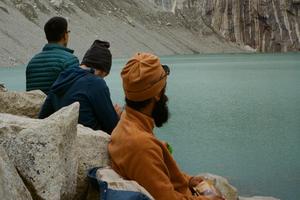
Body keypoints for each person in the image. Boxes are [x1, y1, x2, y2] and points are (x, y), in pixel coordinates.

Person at [108, 53, 224, 200]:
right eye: (164, 89)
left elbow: (155, 176)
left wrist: (187, 180)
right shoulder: (141, 145)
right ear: (156, 94)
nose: (166, 97)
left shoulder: (127, 122)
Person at [38, 40, 120, 134]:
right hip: (89, 141)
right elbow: (113, 127)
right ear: (101, 71)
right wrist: (116, 115)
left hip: (62, 138)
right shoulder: (96, 83)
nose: (103, 79)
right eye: (104, 76)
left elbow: (42, 117)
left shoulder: (62, 78)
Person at [26, 16, 79, 94]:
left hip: (35, 106)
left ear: (47, 36)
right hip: (59, 106)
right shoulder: (70, 60)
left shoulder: (32, 62)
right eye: (68, 32)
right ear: (65, 35)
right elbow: (75, 93)